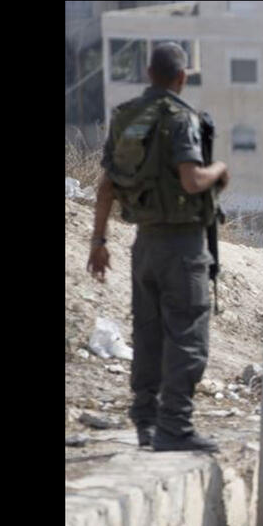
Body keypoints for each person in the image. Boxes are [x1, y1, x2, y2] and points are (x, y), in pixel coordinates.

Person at [87, 42, 230, 452]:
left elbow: (106, 185)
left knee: (148, 335)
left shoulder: (126, 117)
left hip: (143, 243)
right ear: (181, 78)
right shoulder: (181, 119)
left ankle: (146, 422)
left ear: (149, 74)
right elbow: (191, 181)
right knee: (187, 335)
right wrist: (219, 170)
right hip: (181, 245)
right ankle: (175, 427)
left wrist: (98, 241)